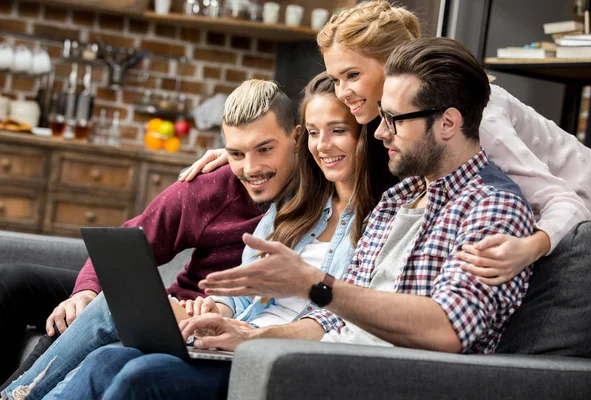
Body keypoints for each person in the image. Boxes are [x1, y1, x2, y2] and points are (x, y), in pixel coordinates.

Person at [54, 37, 537, 400]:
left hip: (388, 378)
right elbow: (330, 319)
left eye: (394, 120)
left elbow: (447, 330)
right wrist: (250, 334)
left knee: (144, 378)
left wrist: (314, 284)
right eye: (379, 119)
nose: (381, 133)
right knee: (112, 359)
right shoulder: (401, 198)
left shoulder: (490, 205)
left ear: (448, 123)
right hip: (319, 352)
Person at [1, 76, 395, 400]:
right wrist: (86, 290)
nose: (251, 167)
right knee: (49, 294)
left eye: (264, 150)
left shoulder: (376, 214)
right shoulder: (256, 198)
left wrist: (233, 324)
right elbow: (136, 242)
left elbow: (338, 312)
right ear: (304, 135)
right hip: (200, 313)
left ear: (292, 140)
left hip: (251, 337)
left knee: (118, 348)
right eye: (237, 153)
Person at [182, 0, 591, 286]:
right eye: (335, 78)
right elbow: (323, 142)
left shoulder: (468, 118)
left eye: (351, 75)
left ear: (392, 61)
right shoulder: (386, 117)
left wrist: (531, 246)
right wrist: (243, 156)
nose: (342, 91)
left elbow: (565, 199)